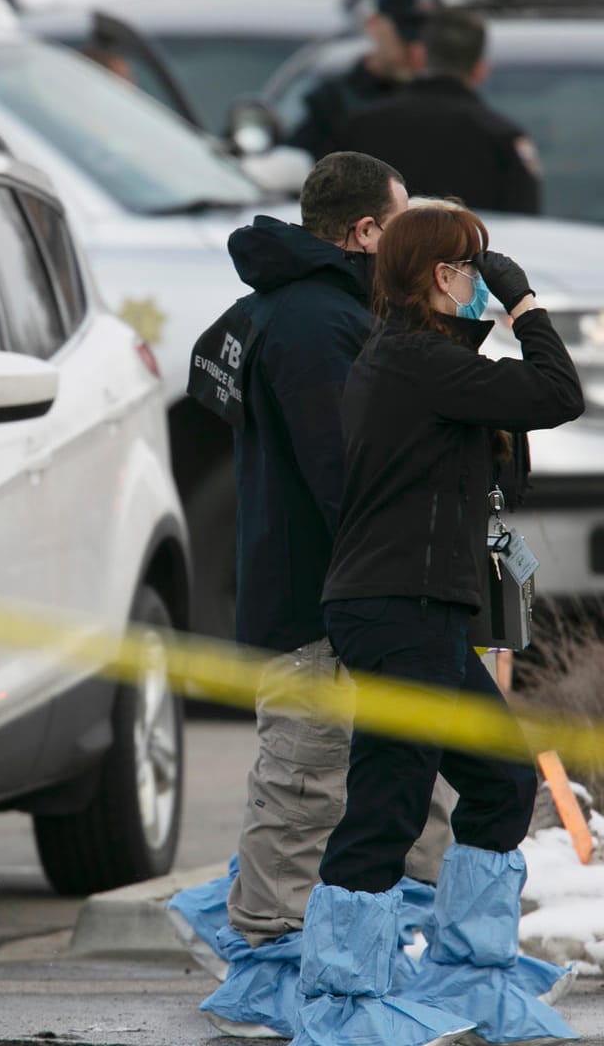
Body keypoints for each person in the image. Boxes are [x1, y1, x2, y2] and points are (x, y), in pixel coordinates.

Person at [175, 153, 462, 1039]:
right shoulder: (310, 323)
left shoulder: (329, 312)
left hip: (365, 593)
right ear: (366, 232)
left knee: (394, 781)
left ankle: (389, 955)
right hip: (323, 598)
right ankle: (264, 964)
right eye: (402, 220)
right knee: (305, 785)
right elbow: (350, 474)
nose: (414, 240)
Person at [294, 207, 584, 1046]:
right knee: (388, 798)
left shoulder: (426, 364)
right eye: (471, 268)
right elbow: (557, 394)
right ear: (436, 277)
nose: (481, 283)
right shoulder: (413, 361)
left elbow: (505, 439)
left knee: (499, 782)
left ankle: (466, 978)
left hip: (422, 610)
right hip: (397, 609)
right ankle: (344, 1001)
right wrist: (525, 307)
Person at [334, 5, 542, 215]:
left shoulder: (361, 127)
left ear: (418, 57)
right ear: (480, 70)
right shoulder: (503, 139)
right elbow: (524, 223)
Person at [286, 0, 440, 161]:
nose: (416, 47)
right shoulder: (332, 103)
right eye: (406, 34)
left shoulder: (446, 100)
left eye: (427, 36)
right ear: (374, 25)